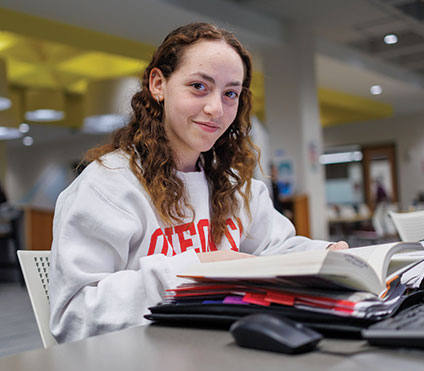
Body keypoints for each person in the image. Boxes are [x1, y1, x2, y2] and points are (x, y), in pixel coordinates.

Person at [49, 23, 348, 343]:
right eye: (198, 87)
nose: (216, 109)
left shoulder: (236, 186)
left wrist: (325, 253)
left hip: (225, 348)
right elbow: (74, 316)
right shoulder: (107, 187)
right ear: (158, 84)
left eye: (230, 93)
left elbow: (273, 248)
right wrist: (197, 269)